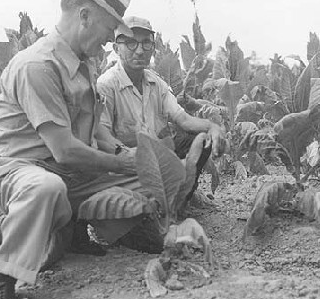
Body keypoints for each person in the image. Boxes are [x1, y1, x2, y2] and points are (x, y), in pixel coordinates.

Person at [0, 0, 159, 299]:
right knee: (45, 187)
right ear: (85, 15)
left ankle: (73, 230)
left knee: (149, 177)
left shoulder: (83, 65)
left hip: (72, 174)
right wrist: (121, 165)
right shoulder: (38, 65)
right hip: (21, 172)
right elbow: (64, 150)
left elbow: (95, 135)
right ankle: (4, 280)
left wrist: (129, 156)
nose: (110, 41)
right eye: (110, 31)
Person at [96, 16, 225, 189]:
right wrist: (128, 155)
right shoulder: (106, 85)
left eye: (146, 43)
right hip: (125, 165)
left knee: (201, 140)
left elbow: (184, 120)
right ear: (116, 48)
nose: (140, 51)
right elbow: (102, 136)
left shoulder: (156, 83)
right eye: (131, 43)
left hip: (157, 158)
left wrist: (212, 127)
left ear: (153, 48)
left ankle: (181, 198)